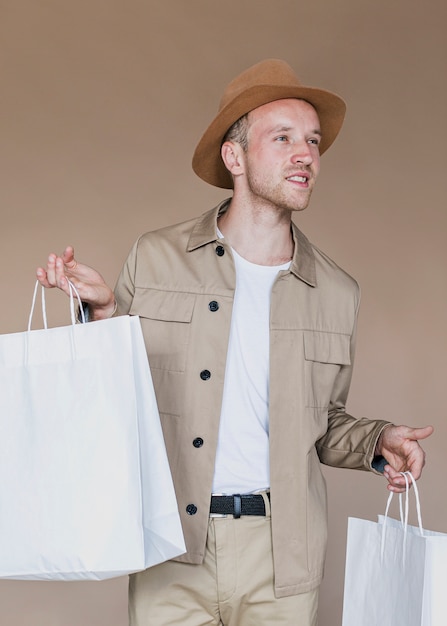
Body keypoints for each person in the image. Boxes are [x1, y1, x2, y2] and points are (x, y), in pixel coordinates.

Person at [36, 59, 433, 626]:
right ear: (235, 156)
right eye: (284, 138)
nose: (306, 155)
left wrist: (379, 440)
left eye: (313, 141)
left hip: (282, 559)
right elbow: (114, 397)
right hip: (173, 546)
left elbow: (324, 423)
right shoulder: (155, 258)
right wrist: (101, 313)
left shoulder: (338, 292)